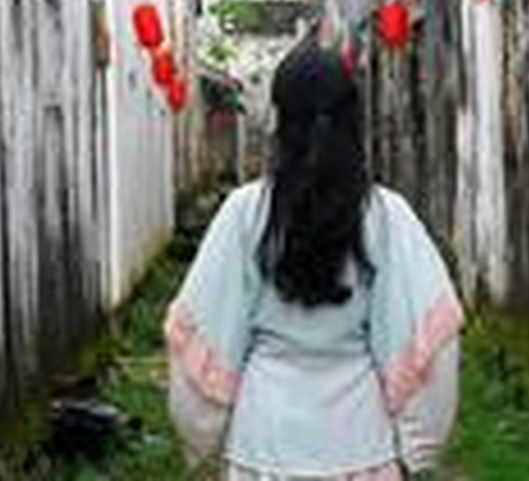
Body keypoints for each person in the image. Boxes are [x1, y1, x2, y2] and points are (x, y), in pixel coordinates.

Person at [164, 46, 464, 479]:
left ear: (280, 121)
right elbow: (424, 336)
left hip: (264, 444)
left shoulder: (244, 212)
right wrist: (419, 445)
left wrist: (205, 435)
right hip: (362, 446)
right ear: (352, 118)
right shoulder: (386, 215)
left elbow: (204, 328)